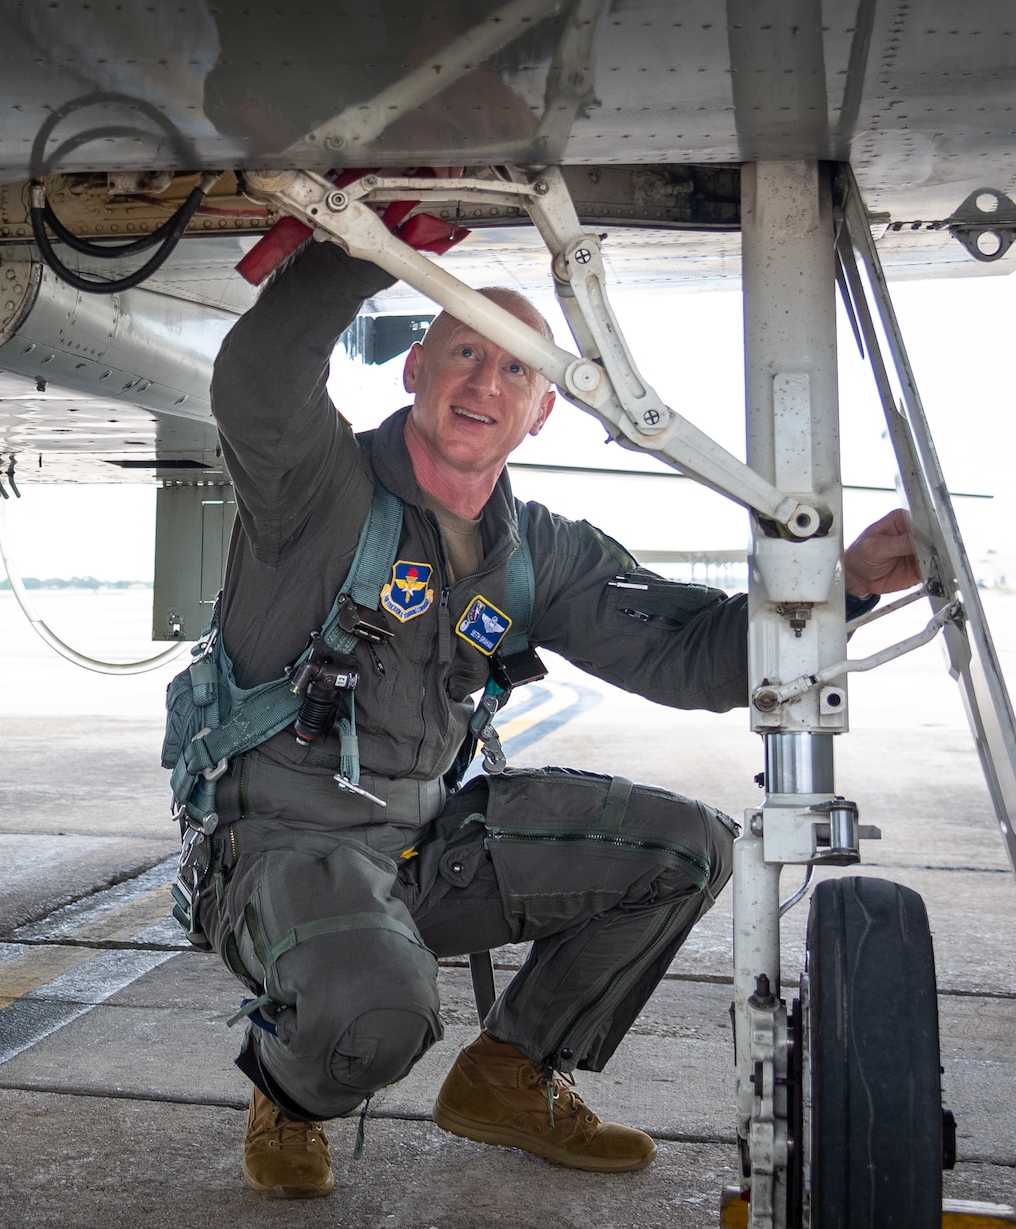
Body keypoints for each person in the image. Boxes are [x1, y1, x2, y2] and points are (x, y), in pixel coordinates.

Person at [183, 240, 921, 1198]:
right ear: (414, 368)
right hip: (279, 854)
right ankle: (289, 1088)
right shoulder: (313, 487)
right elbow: (257, 375)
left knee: (688, 851)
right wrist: (364, 245)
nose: (486, 379)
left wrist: (847, 586)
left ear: (540, 413)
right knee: (377, 1019)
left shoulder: (536, 551)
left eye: (516, 368)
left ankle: (512, 1072)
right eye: (465, 351)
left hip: (419, 849)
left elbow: (689, 655)